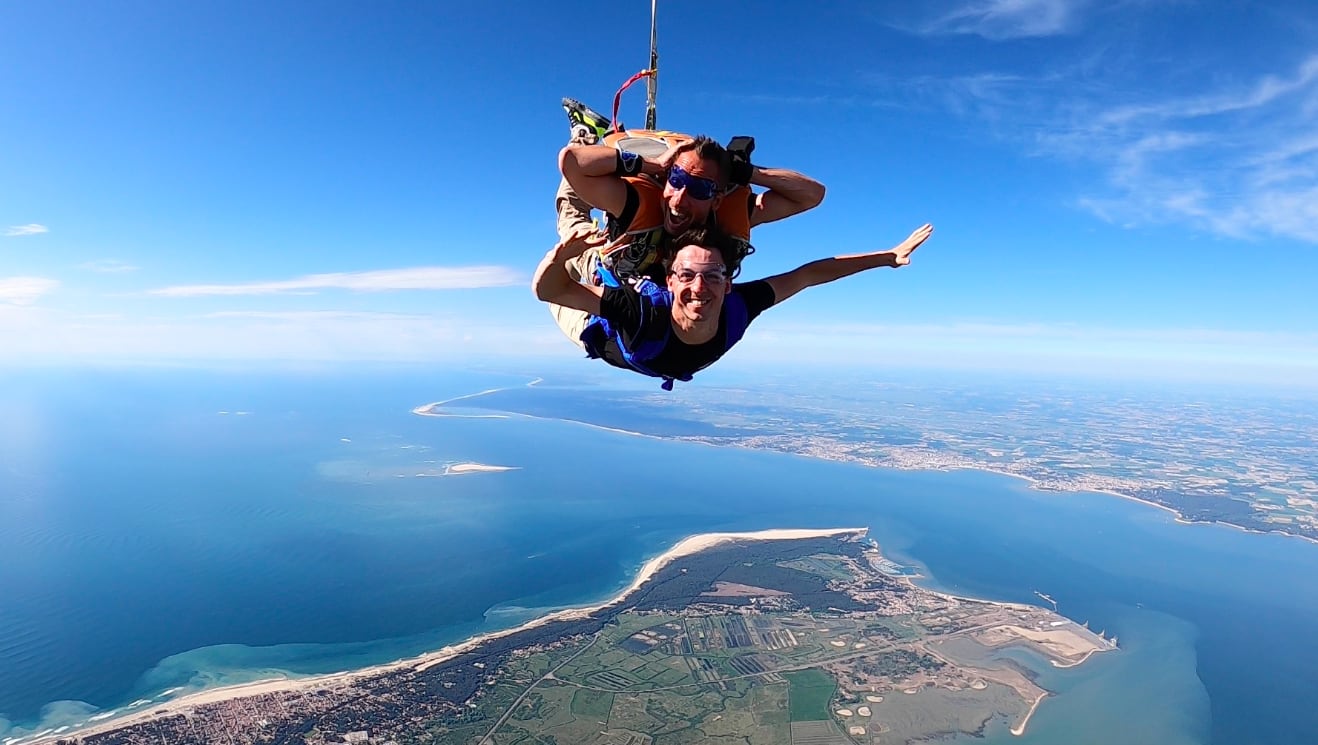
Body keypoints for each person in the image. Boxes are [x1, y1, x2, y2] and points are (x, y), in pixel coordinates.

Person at [533, 221, 935, 389]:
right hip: (593, 316)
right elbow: (551, 289)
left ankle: (606, 251)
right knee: (577, 236)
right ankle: (585, 142)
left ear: (728, 284)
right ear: (672, 283)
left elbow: (809, 274)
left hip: (620, 318)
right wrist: (561, 252)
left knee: (601, 257)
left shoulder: (740, 306)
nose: (699, 288)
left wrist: (886, 257)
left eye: (712, 277)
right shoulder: (640, 312)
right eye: (688, 277)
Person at [556, 98, 825, 283]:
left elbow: (812, 194)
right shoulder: (639, 203)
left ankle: (593, 136)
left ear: (717, 199)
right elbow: (572, 163)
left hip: (646, 271)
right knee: (572, 215)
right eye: (677, 180)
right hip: (605, 261)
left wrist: (747, 173)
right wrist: (653, 165)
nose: (680, 198)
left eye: (699, 188)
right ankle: (586, 134)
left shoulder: (730, 213)